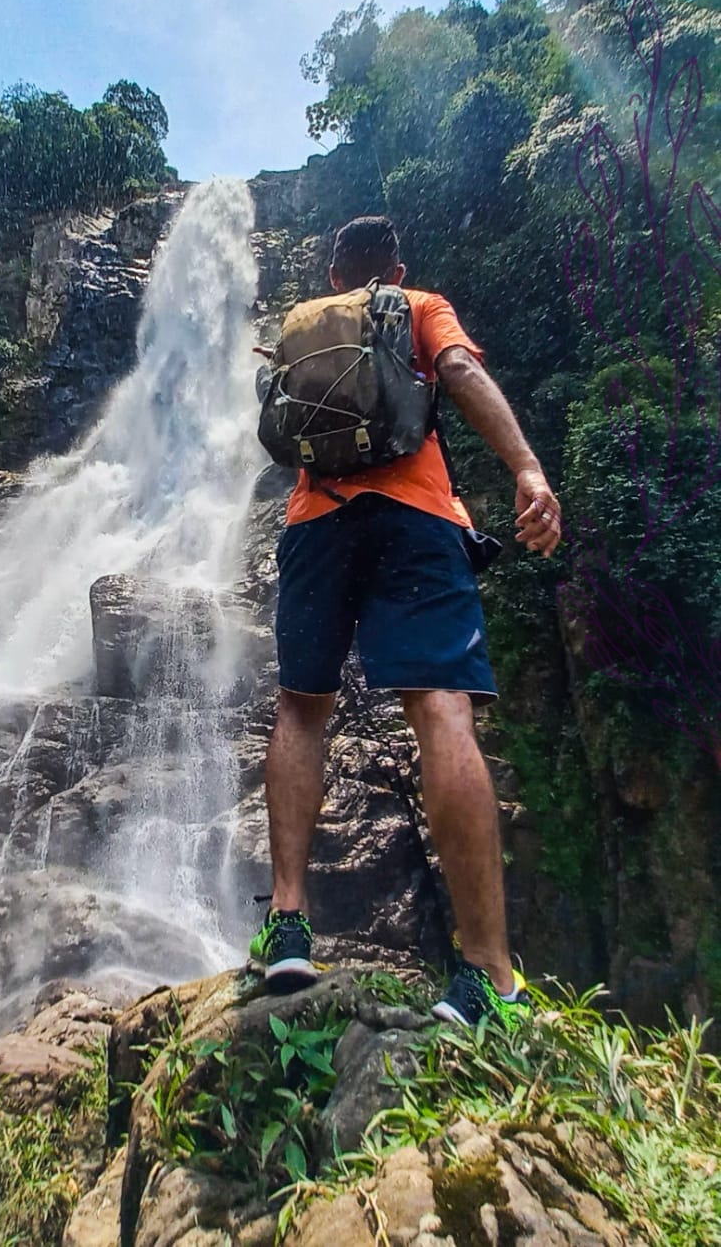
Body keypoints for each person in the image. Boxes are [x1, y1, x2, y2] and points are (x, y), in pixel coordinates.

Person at [249, 215, 561, 1028]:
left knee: (300, 705)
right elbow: (456, 369)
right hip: (416, 515)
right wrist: (525, 468)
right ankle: (489, 972)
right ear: (395, 266)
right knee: (439, 708)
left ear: (332, 275)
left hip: (315, 522)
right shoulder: (420, 304)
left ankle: (287, 922)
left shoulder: (306, 331)